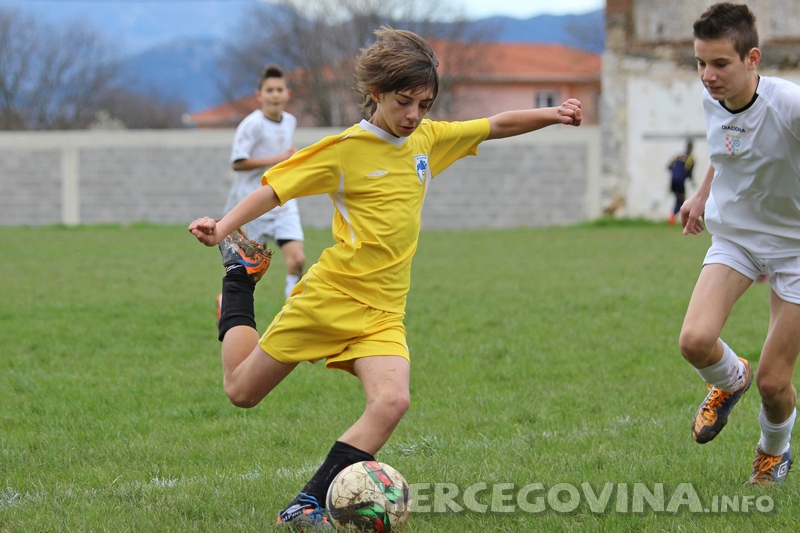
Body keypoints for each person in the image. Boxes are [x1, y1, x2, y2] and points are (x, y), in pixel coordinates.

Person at [189, 26, 582, 529]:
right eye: (404, 102)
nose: (414, 114)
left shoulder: (426, 139)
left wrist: (552, 113)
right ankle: (240, 277)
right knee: (241, 391)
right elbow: (274, 188)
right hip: (331, 298)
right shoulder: (343, 150)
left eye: (424, 103)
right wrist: (222, 227)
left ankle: (305, 504)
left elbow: (495, 124)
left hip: (384, 312)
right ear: (375, 95)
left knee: (393, 400)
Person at [679, 2, 800, 485]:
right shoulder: (715, 97)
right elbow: (727, 146)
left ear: (752, 59)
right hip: (738, 238)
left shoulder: (788, 104)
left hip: (796, 247)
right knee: (694, 341)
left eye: (720, 64)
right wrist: (702, 192)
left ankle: (774, 454)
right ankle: (730, 381)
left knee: (775, 382)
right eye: (700, 64)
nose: (708, 76)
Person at [224, 64, 304, 301]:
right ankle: (225, 303)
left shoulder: (290, 121)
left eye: (280, 89)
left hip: (282, 203)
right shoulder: (252, 124)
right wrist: (277, 159)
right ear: (259, 96)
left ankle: (292, 308)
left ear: (288, 94)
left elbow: (285, 154)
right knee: (247, 273)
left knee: (298, 260)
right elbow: (238, 162)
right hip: (252, 205)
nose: (275, 95)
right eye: (269, 90)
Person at [667, 140, 695, 225]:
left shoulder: (678, 156)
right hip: (680, 180)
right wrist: (691, 181)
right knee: (682, 200)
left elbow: (668, 166)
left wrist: (675, 173)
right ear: (691, 148)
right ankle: (673, 217)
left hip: (673, 179)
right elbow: (690, 172)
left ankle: (672, 217)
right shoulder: (691, 159)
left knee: (678, 199)